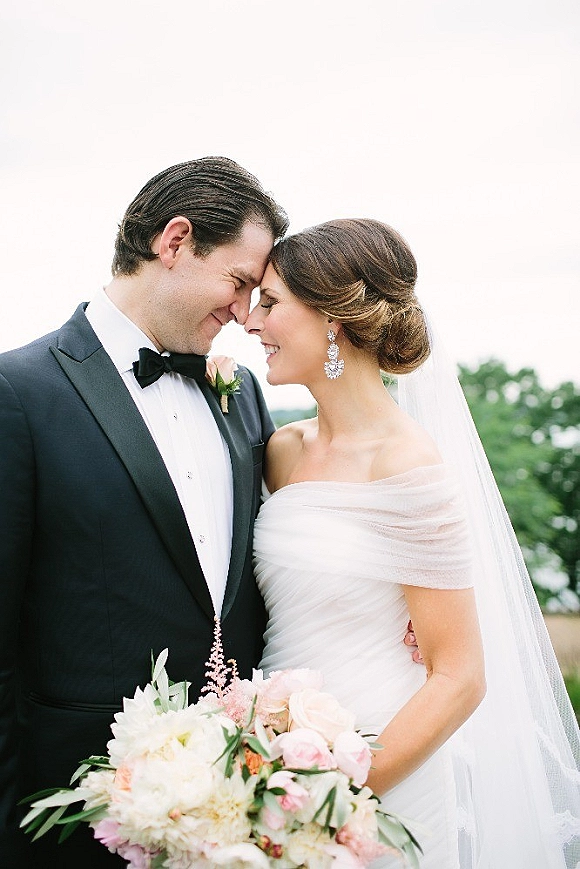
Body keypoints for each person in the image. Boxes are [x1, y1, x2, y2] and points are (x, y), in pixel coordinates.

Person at [245, 218, 580, 868]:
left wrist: (335, 796)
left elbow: (460, 675)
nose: (251, 322)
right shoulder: (283, 451)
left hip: (380, 772)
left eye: (270, 302)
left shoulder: (407, 465)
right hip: (267, 757)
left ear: (332, 317)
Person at [0, 156, 288, 869]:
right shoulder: (18, 391)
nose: (244, 313)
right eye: (239, 281)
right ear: (175, 240)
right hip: (74, 807)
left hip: (238, 808)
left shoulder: (243, 395)